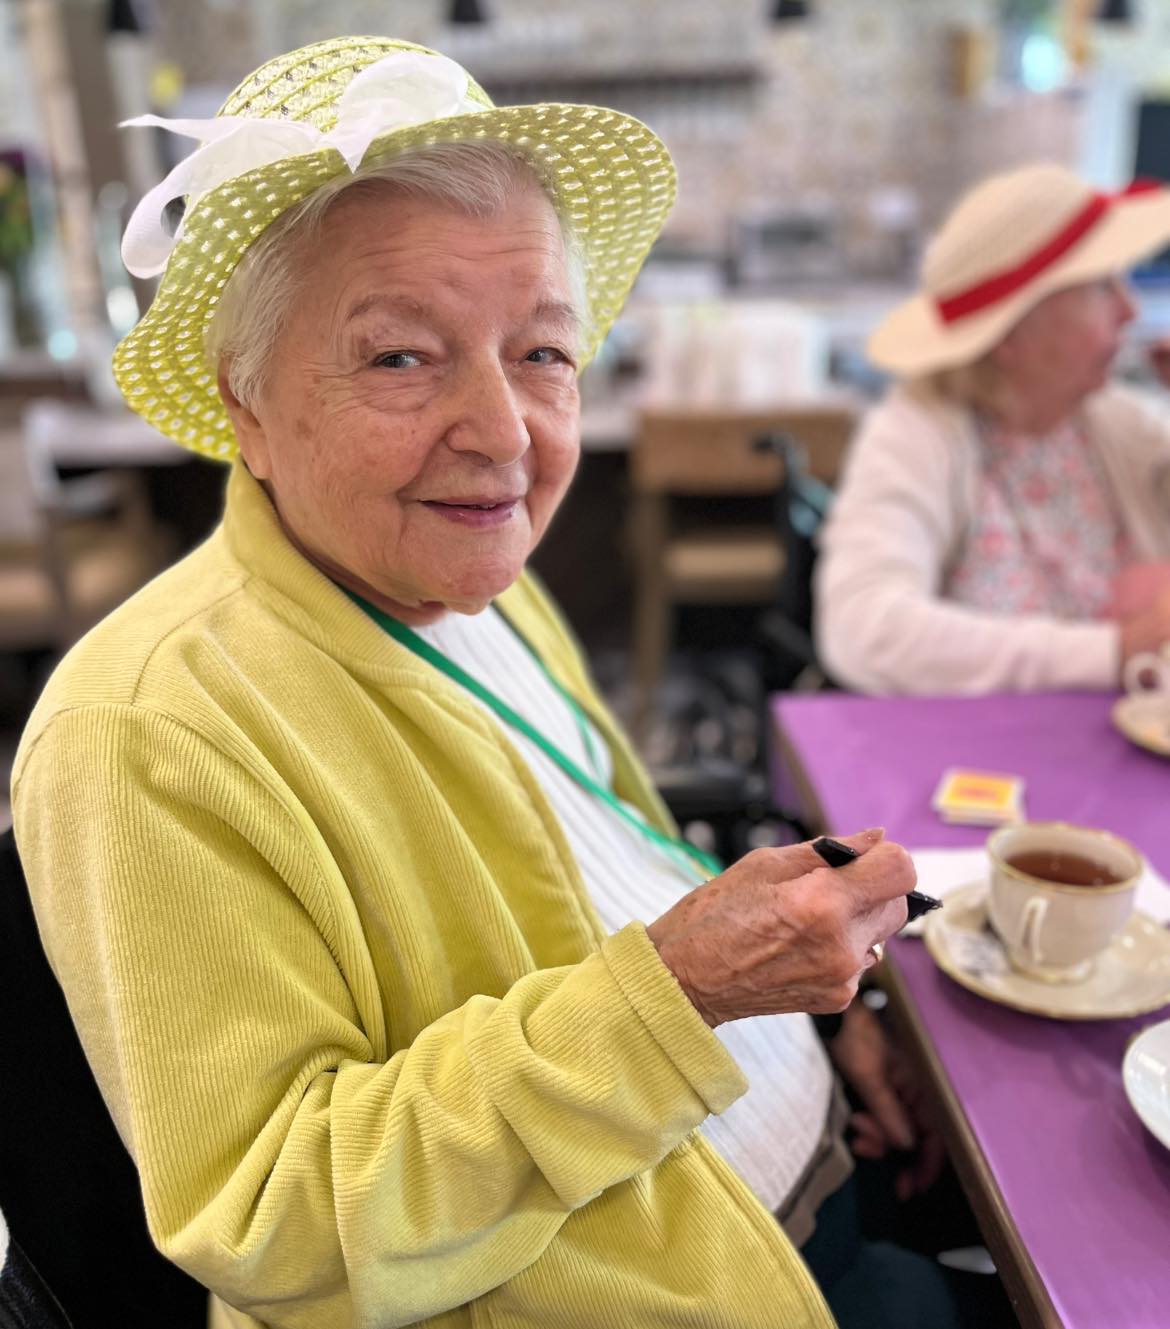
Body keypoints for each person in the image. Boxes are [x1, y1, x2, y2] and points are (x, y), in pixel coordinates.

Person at [12, 37, 932, 1329]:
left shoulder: (460, 574)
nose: (505, 437)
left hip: (806, 1169)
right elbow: (280, 1220)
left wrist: (824, 1033)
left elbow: (612, 846)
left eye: (542, 353)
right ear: (248, 401)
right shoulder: (144, 733)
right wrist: (683, 994)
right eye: (401, 357)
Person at [816, 162, 1170, 695]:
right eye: (1099, 287)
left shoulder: (1121, 425)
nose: (1130, 309)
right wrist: (1115, 652)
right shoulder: (919, 433)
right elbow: (863, 629)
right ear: (1009, 335)